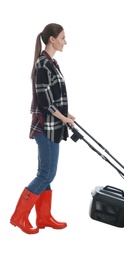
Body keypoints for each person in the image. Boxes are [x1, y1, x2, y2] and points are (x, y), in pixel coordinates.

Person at [10, 23, 75, 234]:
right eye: (63, 38)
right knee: (46, 174)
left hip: (53, 126)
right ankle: (19, 217)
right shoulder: (42, 65)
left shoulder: (52, 63)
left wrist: (66, 116)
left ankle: (44, 217)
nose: (66, 42)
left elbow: (54, 98)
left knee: (45, 173)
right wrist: (62, 118)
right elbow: (46, 104)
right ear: (52, 40)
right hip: (45, 128)